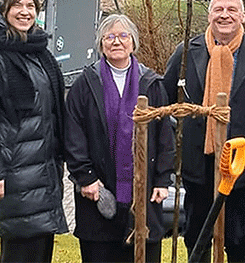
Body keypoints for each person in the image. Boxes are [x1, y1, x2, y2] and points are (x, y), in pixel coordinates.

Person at [163, 0, 245, 263]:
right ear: (209, 14)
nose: (224, 15)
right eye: (218, 9)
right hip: (197, 162)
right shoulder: (187, 52)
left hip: (239, 162)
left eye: (231, 10)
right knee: (196, 233)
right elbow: (165, 99)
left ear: (242, 17)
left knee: (237, 235)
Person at [0, 0, 68, 263]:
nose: (25, 12)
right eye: (18, 6)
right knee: (20, 251)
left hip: (45, 170)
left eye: (31, 6)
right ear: (5, 11)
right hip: (14, 174)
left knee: (41, 249)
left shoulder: (38, 52)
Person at [64, 14, 175, 263]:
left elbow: (165, 137)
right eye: (110, 36)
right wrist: (86, 178)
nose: (117, 41)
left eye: (123, 35)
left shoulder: (152, 85)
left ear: (133, 43)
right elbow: (73, 136)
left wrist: (162, 179)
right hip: (97, 193)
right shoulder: (85, 85)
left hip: (144, 195)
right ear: (101, 43)